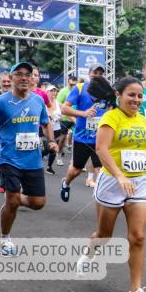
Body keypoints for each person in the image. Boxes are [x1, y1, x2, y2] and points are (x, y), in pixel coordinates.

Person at [76, 77, 146, 292]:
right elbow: (101, 149)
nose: (136, 100)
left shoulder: (143, 120)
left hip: (140, 182)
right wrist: (119, 176)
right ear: (118, 95)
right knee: (104, 235)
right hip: (113, 182)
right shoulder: (110, 118)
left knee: (138, 237)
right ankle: (89, 253)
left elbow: (141, 151)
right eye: (131, 95)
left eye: (139, 96)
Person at [0, 62, 56, 256]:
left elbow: (45, 123)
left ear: (32, 78)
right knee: (12, 199)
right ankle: (5, 239)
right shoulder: (0, 102)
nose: (23, 78)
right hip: (9, 158)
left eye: (27, 74)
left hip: (33, 160)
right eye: (19, 74)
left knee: (38, 203)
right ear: (11, 78)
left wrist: (52, 141)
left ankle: (12, 201)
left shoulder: (38, 101)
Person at [60, 65, 109, 201]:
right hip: (83, 137)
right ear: (89, 73)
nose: (97, 75)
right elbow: (64, 109)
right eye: (95, 72)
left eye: (100, 73)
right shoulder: (80, 88)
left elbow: (111, 108)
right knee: (76, 169)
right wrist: (83, 113)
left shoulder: (106, 90)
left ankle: (101, 198)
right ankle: (66, 183)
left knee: (101, 169)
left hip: (100, 138)